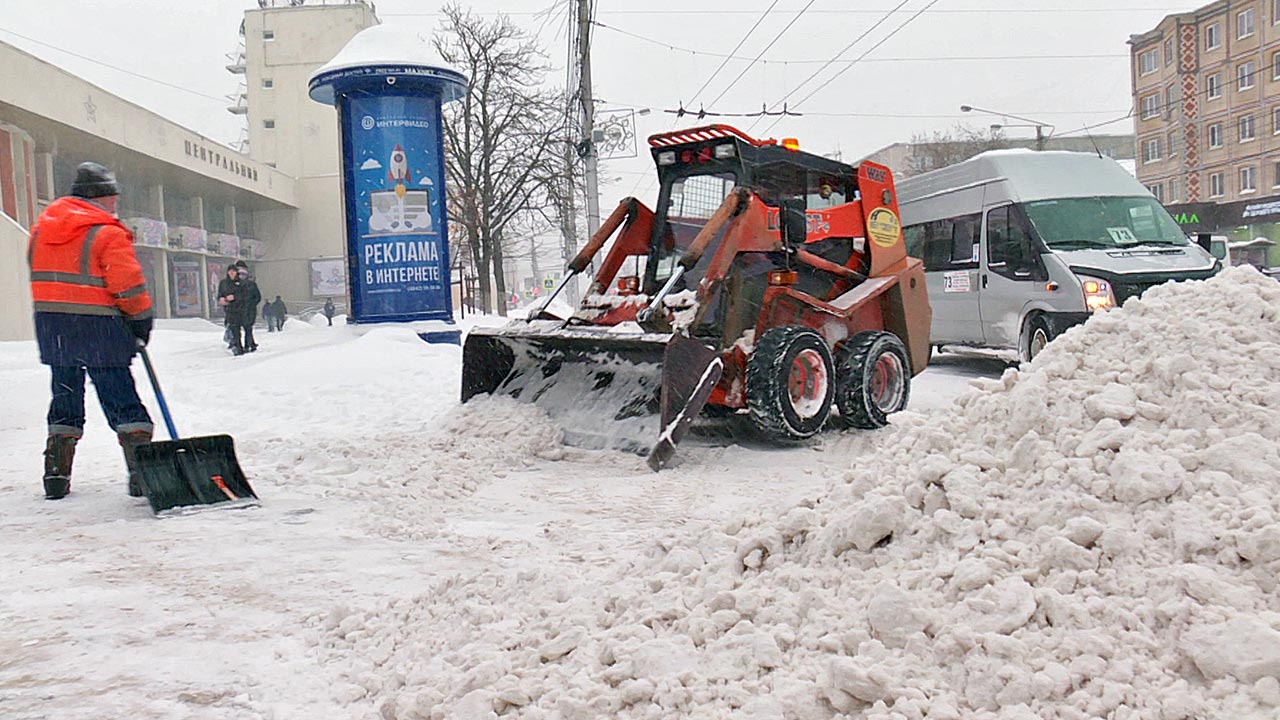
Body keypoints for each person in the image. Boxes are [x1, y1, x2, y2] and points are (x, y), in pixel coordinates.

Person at [28, 161, 155, 500]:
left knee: (65, 394)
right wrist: (141, 319)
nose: (115, 204)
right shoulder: (106, 232)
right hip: (100, 328)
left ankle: (56, 473)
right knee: (119, 396)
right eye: (113, 198)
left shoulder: (43, 229)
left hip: (55, 327)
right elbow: (127, 285)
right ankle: (142, 471)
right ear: (99, 198)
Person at [217, 264, 247, 354]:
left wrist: (234, 297)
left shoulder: (241, 283)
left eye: (233, 271)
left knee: (239, 328)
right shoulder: (223, 283)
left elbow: (245, 295)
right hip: (229, 309)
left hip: (240, 309)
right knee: (233, 328)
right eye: (230, 271)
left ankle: (241, 346)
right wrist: (221, 299)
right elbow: (220, 293)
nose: (231, 273)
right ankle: (236, 346)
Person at [234, 260, 261, 351]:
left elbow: (257, 297)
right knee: (245, 329)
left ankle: (247, 345)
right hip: (240, 310)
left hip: (248, 310)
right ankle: (245, 345)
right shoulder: (234, 285)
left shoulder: (251, 285)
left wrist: (251, 305)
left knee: (248, 328)